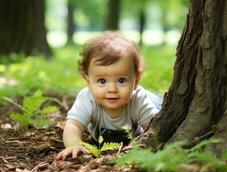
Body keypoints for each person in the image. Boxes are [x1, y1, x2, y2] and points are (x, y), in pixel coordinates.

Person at [56, 31, 163, 160]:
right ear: (88, 82)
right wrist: (74, 144)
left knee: (160, 102)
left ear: (136, 80)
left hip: (155, 101)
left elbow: (155, 130)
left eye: (122, 80)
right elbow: (73, 125)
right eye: (102, 81)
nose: (112, 89)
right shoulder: (87, 99)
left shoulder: (139, 99)